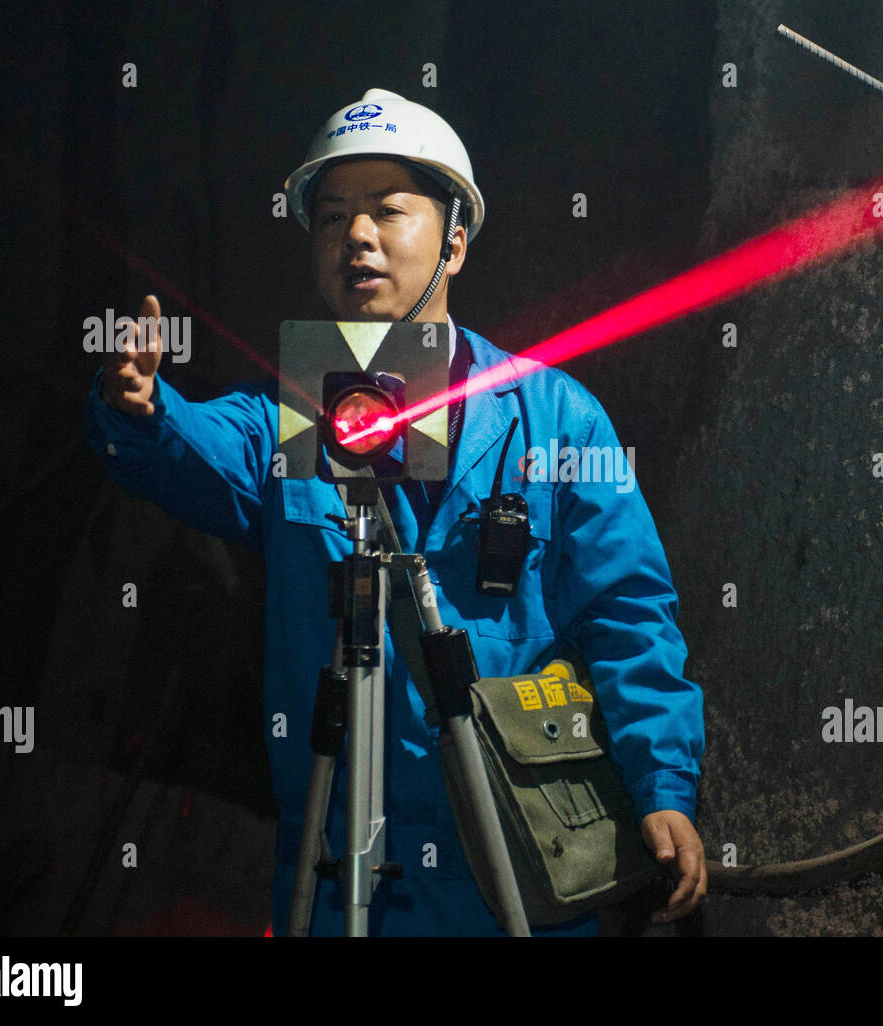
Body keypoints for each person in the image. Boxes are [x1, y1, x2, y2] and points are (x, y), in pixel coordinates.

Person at [84, 89, 705, 936]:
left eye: (387, 210)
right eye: (333, 215)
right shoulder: (297, 414)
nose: (357, 236)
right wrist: (142, 411)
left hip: (521, 864)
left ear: (455, 240)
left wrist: (662, 788)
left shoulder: (554, 417)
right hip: (344, 878)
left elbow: (629, 614)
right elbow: (196, 452)